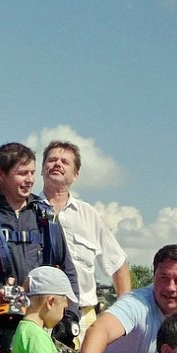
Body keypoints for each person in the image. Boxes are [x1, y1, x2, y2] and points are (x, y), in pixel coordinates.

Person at [0, 142, 79, 308]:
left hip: (38, 318)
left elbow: (67, 270)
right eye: (22, 173)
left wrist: (70, 315)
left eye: (32, 173)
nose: (30, 180)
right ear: (0, 173)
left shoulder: (45, 217)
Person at [40, 140, 131, 336]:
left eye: (65, 161)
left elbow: (118, 263)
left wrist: (124, 313)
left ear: (76, 174)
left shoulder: (89, 215)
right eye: (52, 159)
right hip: (37, 316)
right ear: (41, 169)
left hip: (82, 320)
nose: (57, 164)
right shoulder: (25, 211)